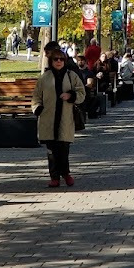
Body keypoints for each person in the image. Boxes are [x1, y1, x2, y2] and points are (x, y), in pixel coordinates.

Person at [31, 49, 87, 188]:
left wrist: (71, 96)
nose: (58, 62)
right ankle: (54, 177)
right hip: (48, 118)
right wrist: (37, 108)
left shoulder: (71, 76)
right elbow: (36, 96)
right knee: (51, 150)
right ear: (51, 61)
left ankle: (66, 173)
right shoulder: (45, 78)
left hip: (65, 117)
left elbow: (81, 92)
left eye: (61, 59)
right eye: (55, 59)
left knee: (63, 148)